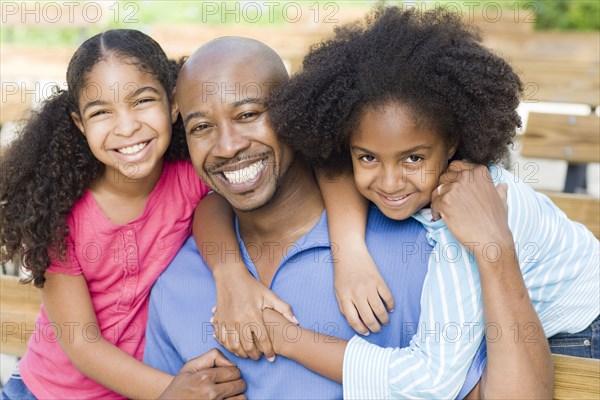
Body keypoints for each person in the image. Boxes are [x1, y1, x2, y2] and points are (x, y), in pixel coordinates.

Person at [143, 36, 553, 399]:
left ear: (293, 114)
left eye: (249, 114)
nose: (228, 146)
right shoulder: (176, 283)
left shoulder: (418, 252)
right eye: (201, 127)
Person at [258, 5, 600, 399]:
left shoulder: (464, 216)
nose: (389, 182)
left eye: (413, 158)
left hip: (582, 335)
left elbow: (432, 381)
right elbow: (329, 168)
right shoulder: (412, 176)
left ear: (451, 142)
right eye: (367, 157)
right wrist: (348, 251)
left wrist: (288, 339)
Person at [0, 29, 249, 399]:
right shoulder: (59, 214)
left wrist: (231, 271)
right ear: (81, 125)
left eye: (142, 100)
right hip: (45, 392)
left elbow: (221, 204)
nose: (127, 127)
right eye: (102, 112)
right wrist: (178, 392)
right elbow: (83, 346)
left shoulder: (190, 179)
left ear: (173, 104)